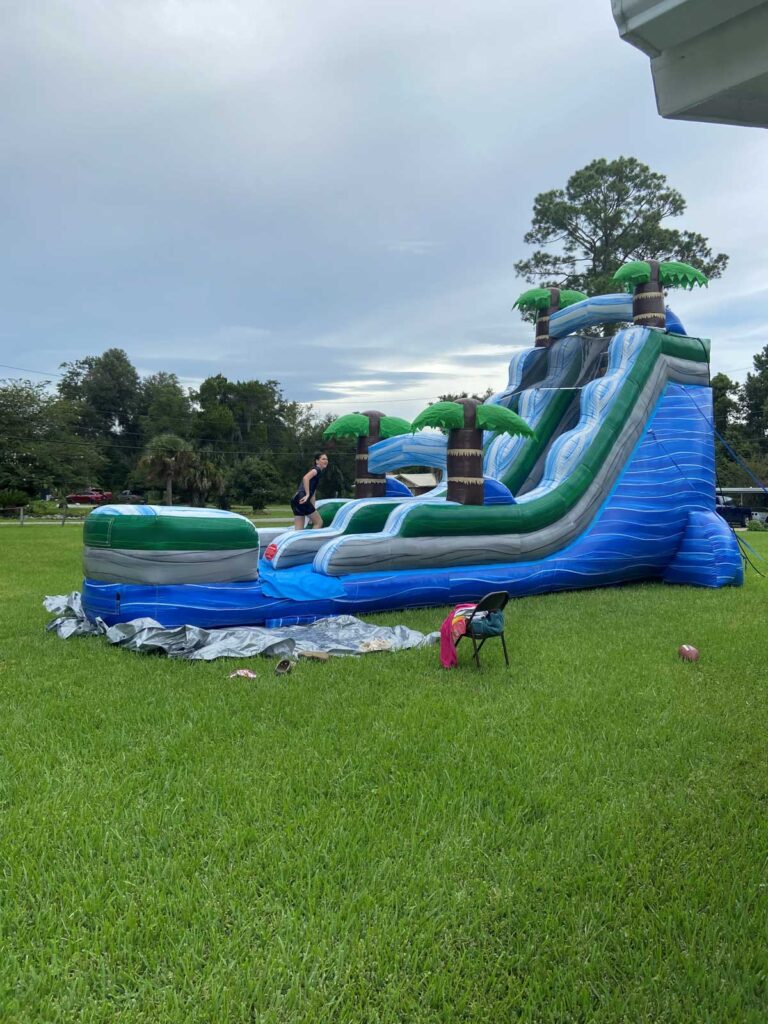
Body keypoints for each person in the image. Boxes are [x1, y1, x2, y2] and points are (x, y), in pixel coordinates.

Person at [291, 452, 329, 530]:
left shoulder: (316, 472)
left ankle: (298, 542)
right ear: (317, 461)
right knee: (319, 522)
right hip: (302, 498)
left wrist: (313, 509)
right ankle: (313, 542)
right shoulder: (317, 469)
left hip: (296, 498)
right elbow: (305, 478)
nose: (326, 461)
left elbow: (313, 493)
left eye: (327, 459)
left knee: (298, 531)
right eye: (323, 459)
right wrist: (307, 494)